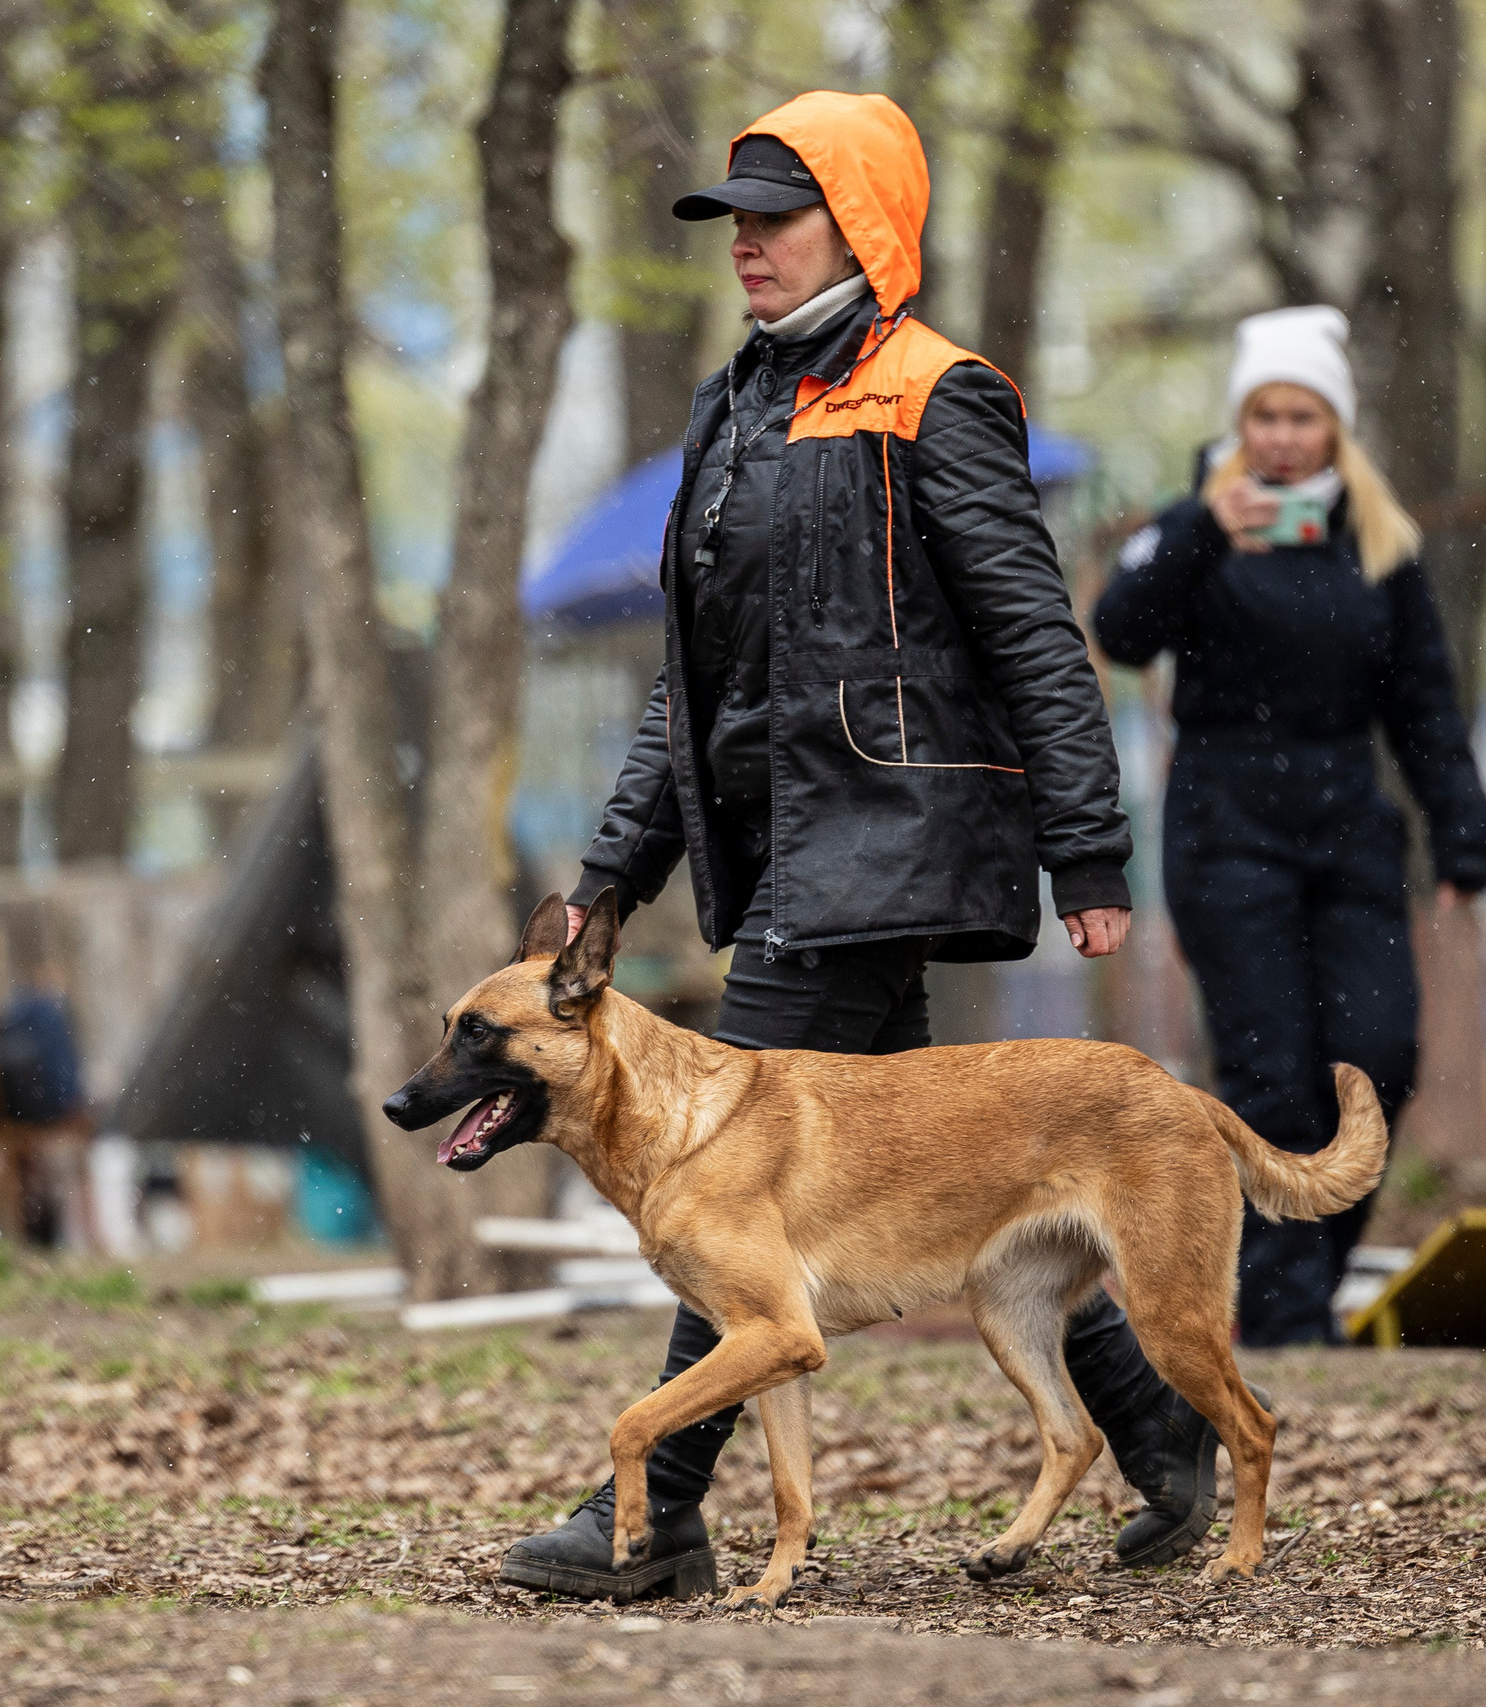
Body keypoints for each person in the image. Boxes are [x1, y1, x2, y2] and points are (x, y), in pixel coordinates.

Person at [501, 91, 1230, 1601]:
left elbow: (1034, 634)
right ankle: (1159, 1432)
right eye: (733, 221)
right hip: (782, 850)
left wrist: (1090, 851)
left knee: (721, 1187)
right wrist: (610, 876)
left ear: (863, 228)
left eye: (777, 218)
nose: (746, 244)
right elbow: (691, 684)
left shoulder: (938, 391)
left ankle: (656, 1513)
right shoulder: (730, 406)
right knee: (954, 1183)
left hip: (893, 839)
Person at [1091, 305, 1486, 1347]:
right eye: (1264, 416)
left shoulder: (1378, 540)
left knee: (1378, 1055)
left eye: (1302, 417)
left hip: (1348, 829)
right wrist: (1201, 532)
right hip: (1226, 831)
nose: (1281, 437)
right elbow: (1120, 629)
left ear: (1334, 426)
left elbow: (1425, 701)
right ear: (1241, 422)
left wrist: (1462, 831)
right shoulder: (1192, 525)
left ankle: (1302, 1277)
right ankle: (1282, 1318)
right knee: (1270, 1074)